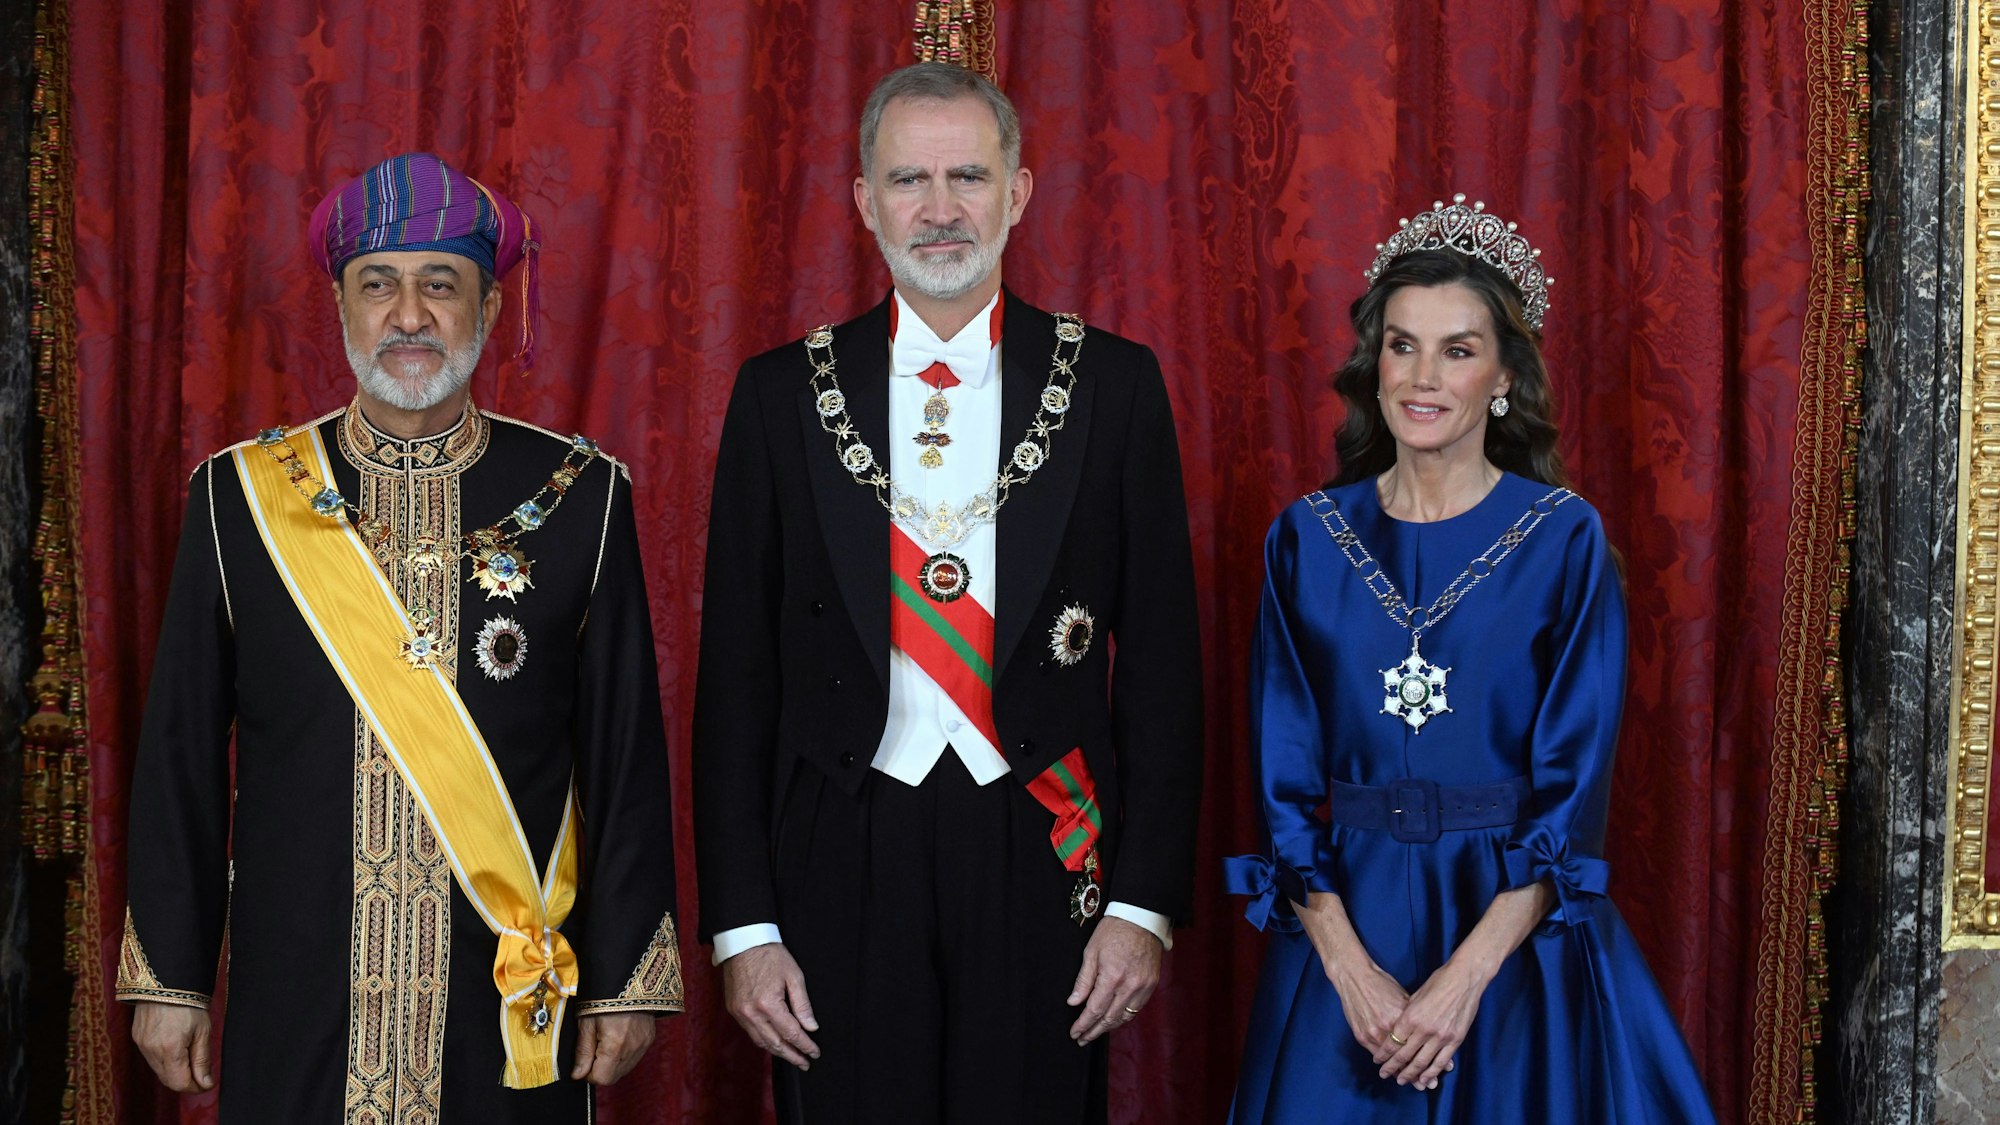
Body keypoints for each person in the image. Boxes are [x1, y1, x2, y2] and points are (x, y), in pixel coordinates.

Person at [117, 152, 683, 1122]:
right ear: (341, 305)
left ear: (489, 308)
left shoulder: (581, 497)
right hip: (299, 985)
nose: (409, 315)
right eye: (378, 284)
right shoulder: (239, 497)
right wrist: (170, 974)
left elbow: (623, 757)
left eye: (441, 285)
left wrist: (627, 976)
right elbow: (180, 754)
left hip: (502, 990)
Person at [692, 62, 1204, 1124]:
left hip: (1041, 833)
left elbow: (1162, 669)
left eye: (967, 176)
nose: (938, 209)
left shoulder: (1112, 386)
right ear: (863, 200)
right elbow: (735, 680)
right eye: (907, 179)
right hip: (840, 840)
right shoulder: (780, 393)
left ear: (1016, 194)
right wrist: (744, 927)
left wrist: (1142, 905)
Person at [1223, 196, 1715, 1122]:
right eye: (1402, 345)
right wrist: (1350, 971)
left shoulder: (1563, 539)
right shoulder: (1307, 539)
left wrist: (1463, 980)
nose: (1423, 377)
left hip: (1510, 936)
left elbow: (1572, 796)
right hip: (1347, 926)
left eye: (1457, 350)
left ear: (1503, 376)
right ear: (1374, 364)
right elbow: (1281, 782)